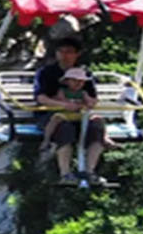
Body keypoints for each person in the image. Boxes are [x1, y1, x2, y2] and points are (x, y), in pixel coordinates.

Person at [35, 38, 110, 183]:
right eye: (61, 51)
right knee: (65, 129)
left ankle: (90, 172)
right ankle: (65, 174)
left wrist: (87, 104)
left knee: (96, 127)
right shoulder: (46, 73)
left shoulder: (83, 74)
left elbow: (93, 98)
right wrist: (62, 105)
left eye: (69, 52)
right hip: (52, 114)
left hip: (79, 114)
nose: (64, 55)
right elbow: (41, 98)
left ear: (77, 54)